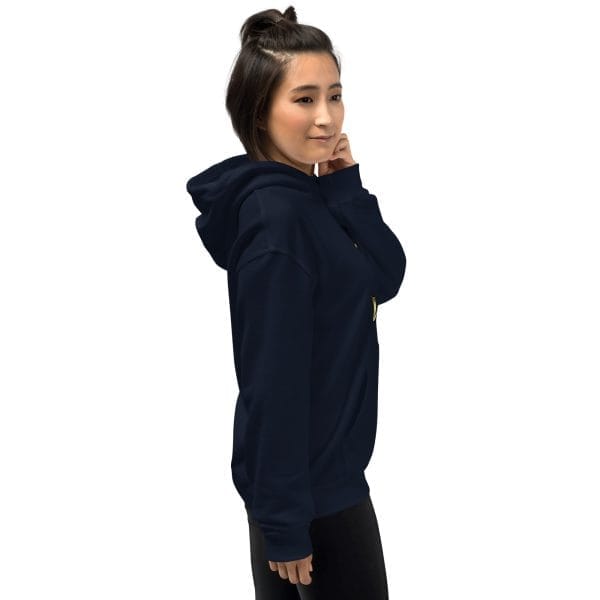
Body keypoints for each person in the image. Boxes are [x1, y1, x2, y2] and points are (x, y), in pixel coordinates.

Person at [186, 6, 407, 599]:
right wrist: (285, 524)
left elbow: (385, 277)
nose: (326, 117)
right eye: (304, 99)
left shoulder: (312, 198)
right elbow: (272, 382)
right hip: (310, 500)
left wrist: (345, 188)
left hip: (317, 486)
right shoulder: (277, 224)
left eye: (335, 95)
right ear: (259, 110)